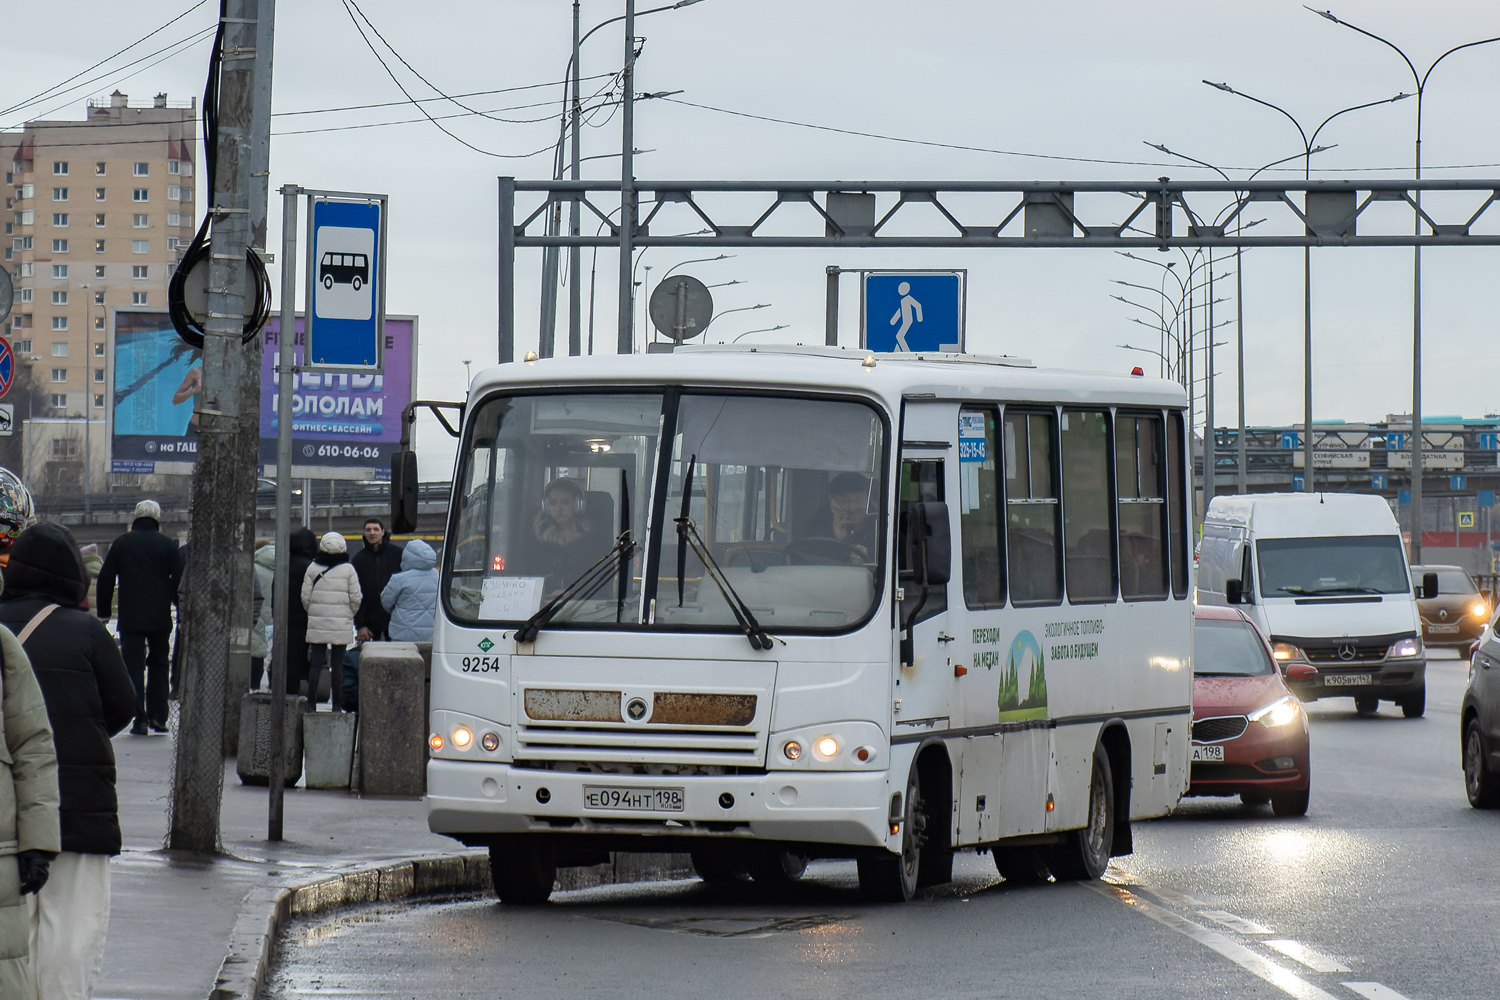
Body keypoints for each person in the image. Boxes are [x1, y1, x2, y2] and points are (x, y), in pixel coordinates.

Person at [0, 523, 133, 1000]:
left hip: (8, 807)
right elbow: (123, 705)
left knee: (11, 934)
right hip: (78, 807)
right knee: (71, 931)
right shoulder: (87, 632)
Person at [96, 500, 181, 736]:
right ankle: (159, 717)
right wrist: (177, 606)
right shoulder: (168, 546)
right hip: (160, 618)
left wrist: (104, 613)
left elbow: (105, 579)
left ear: (135, 517)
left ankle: (139, 719)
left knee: (133, 666)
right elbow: (179, 581)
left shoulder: (122, 544)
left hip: (131, 617)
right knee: (159, 665)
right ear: (157, 519)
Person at [301, 532, 360, 713]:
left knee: (316, 663)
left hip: (318, 622)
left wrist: (314, 612)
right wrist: (349, 614)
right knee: (338, 665)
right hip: (341, 623)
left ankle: (311, 703)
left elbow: (305, 597)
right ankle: (336, 706)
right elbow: (356, 598)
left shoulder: (312, 568)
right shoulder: (348, 569)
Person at [531, 479, 603, 592]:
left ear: (578, 505)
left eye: (565, 503)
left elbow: (597, 579)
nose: (559, 509)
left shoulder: (591, 540)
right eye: (553, 503)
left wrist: (569, 593)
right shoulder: (537, 539)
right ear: (546, 506)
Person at [351, 518, 403, 644]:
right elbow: (355, 594)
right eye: (368, 530)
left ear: (383, 532)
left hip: (395, 618)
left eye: (376, 529)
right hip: (369, 622)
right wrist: (360, 625)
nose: (372, 533)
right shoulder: (358, 559)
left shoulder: (398, 555)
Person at [381, 538, 438, 643]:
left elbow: (386, 602)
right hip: (432, 633)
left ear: (407, 557)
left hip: (403, 633)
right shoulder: (439, 576)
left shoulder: (399, 579)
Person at [285, 528, 320, 700]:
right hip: (305, 621)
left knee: (286, 660)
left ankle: (287, 694)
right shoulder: (311, 568)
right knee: (303, 661)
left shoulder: (283, 565)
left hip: (284, 621)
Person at [250, 542, 275, 691]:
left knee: (257, 653)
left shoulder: (254, 569)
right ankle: (273, 686)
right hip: (276, 616)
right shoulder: (283, 568)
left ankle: (254, 687)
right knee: (275, 653)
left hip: (258, 614)